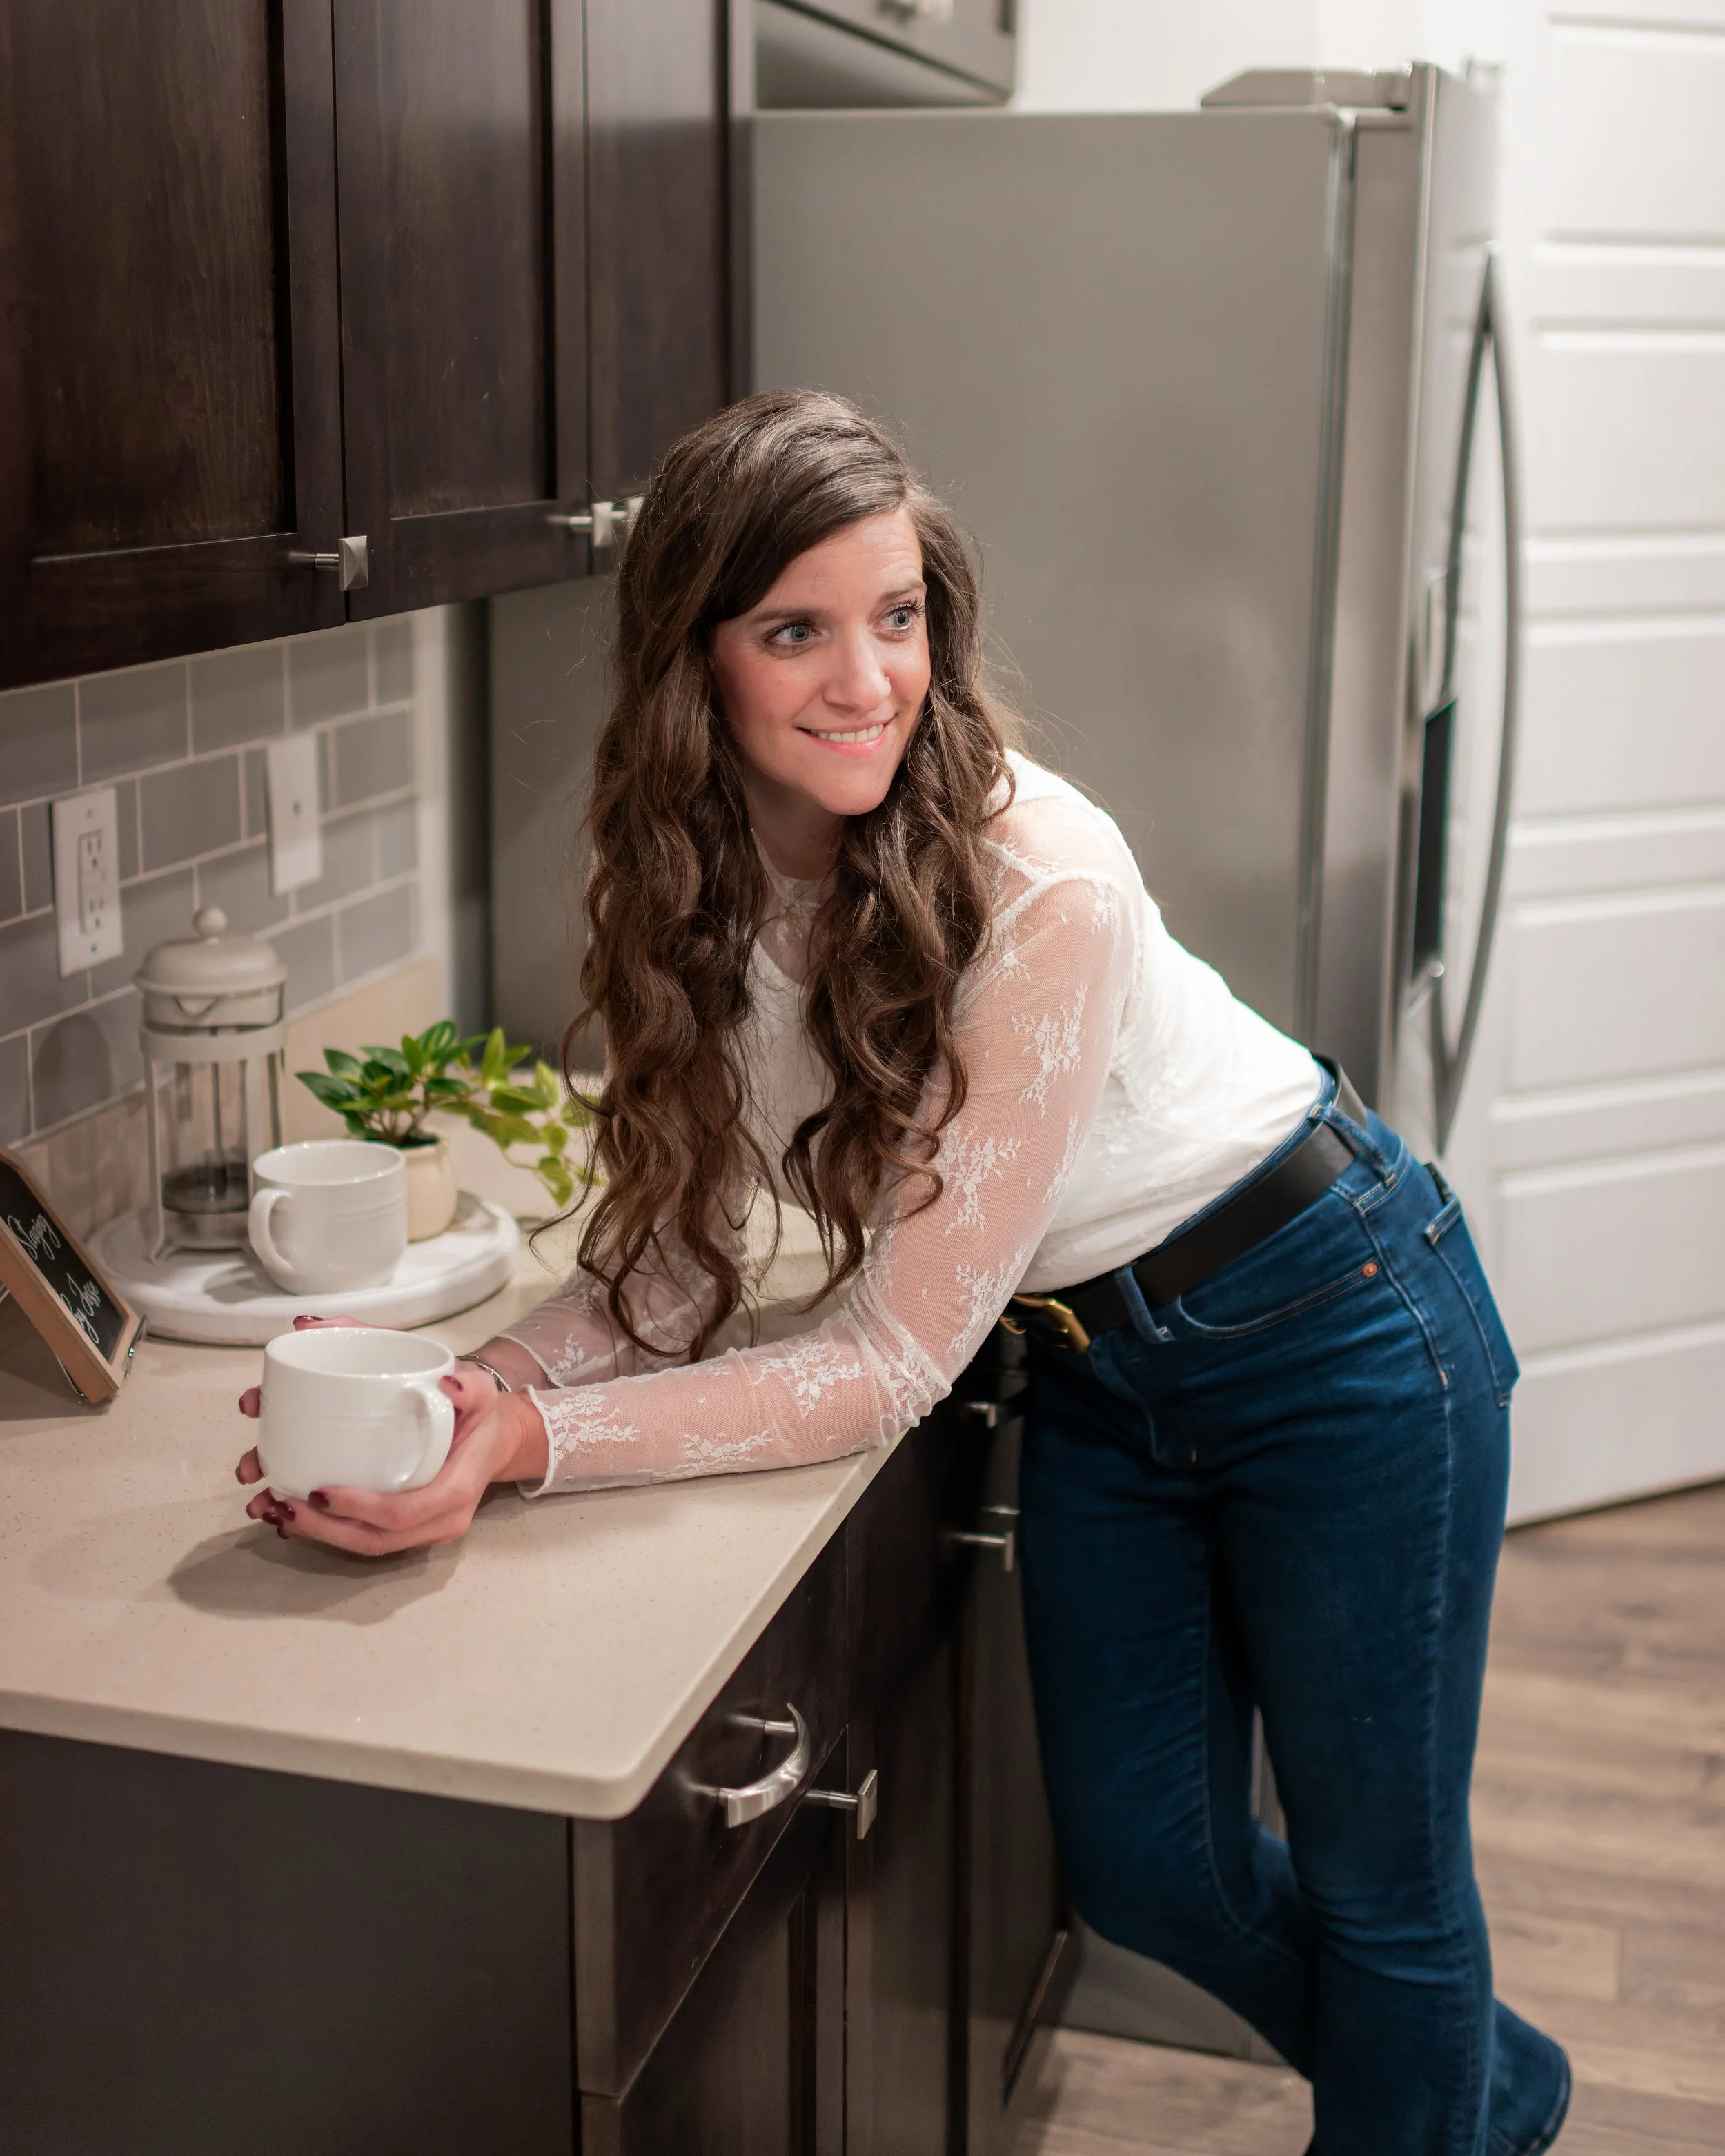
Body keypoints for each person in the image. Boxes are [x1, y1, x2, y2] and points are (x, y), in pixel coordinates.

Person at [236, 390, 1569, 2153]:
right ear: (692, 661)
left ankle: (1438, 2093)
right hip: (1101, 1363)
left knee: (1383, 1892)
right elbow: (671, 1263)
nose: (867, 678)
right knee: (1145, 1873)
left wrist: (534, 1450)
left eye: (897, 616)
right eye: (796, 629)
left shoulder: (1042, 879)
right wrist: (466, 1399)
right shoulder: (685, 867)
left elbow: (881, 1358)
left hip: (1338, 1329)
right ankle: (1486, 2092)